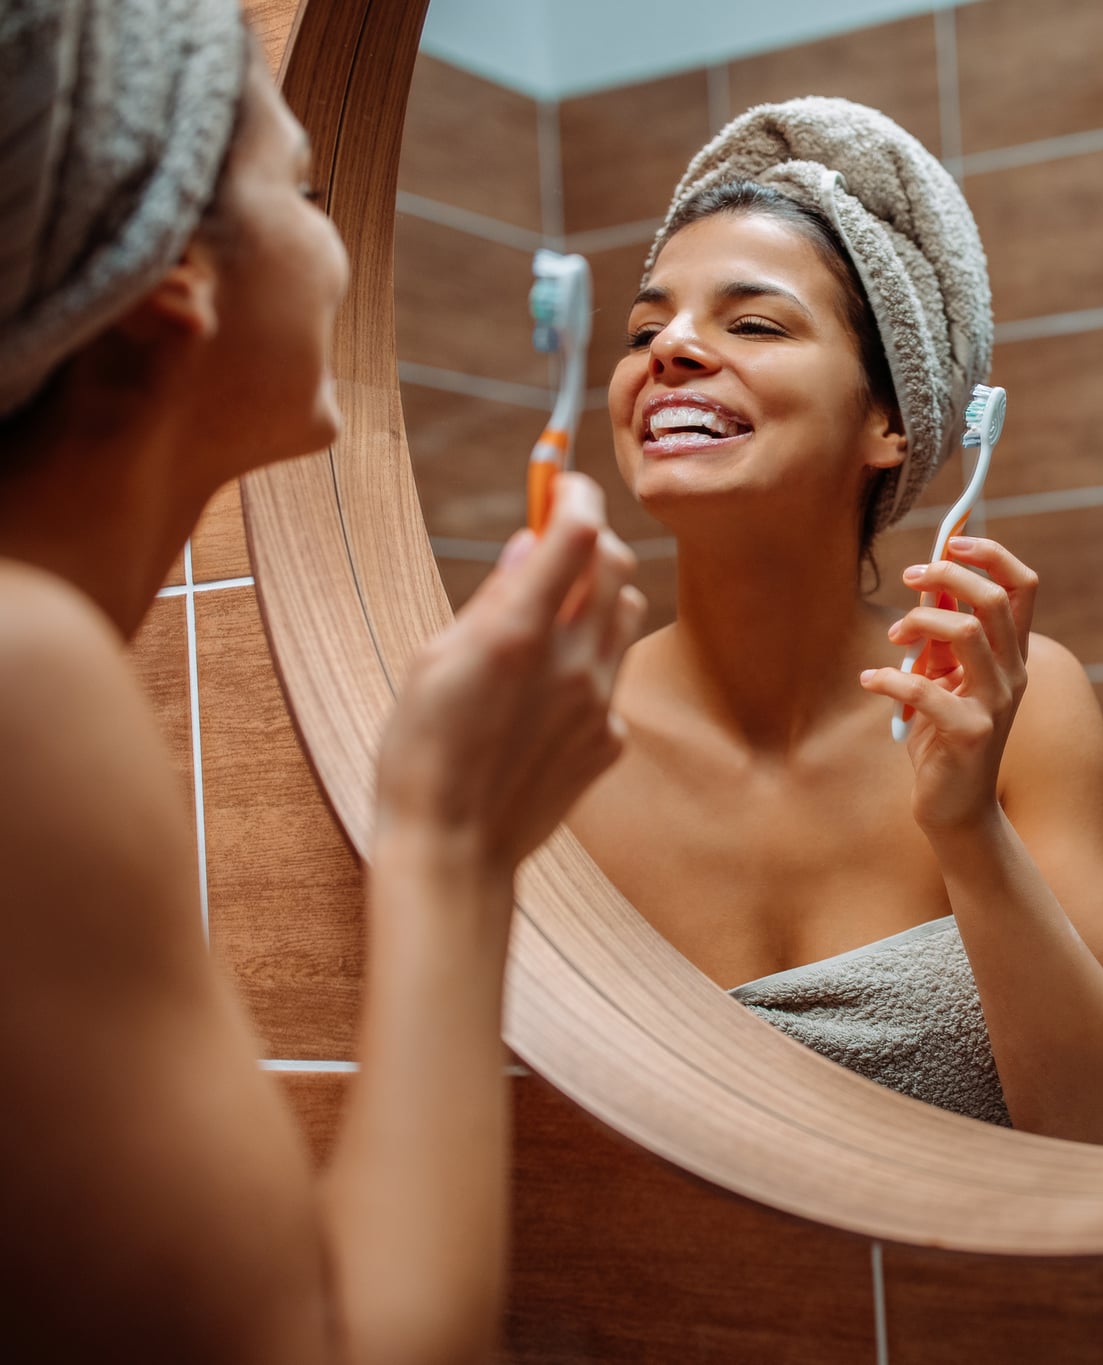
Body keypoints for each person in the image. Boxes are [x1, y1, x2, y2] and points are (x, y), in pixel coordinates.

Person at [0, 1, 641, 1360]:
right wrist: (452, 838)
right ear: (177, 286)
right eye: (300, 190)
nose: (340, 247)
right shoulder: (24, 675)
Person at [566, 99, 1103, 1147]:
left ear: (889, 421)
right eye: (644, 327)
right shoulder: (551, 734)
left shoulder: (1021, 708)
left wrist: (967, 827)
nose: (669, 347)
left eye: (750, 322)